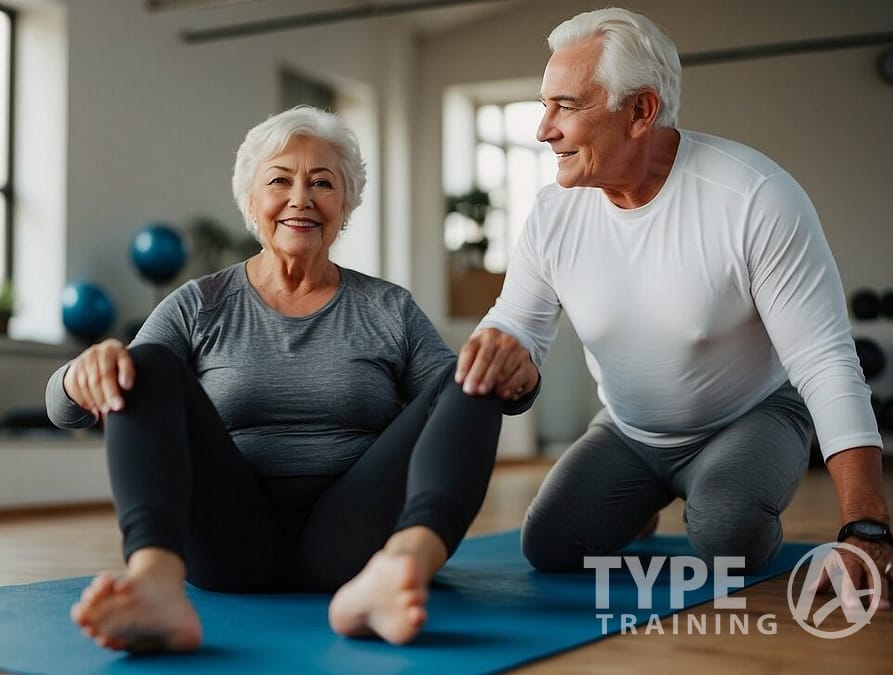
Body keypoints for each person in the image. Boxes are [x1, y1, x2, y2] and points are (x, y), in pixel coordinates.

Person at [46, 105, 534, 653]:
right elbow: (67, 409)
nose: (301, 198)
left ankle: (402, 568)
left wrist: (517, 373)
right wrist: (79, 375)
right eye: (280, 180)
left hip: (355, 541)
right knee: (145, 363)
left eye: (322, 183)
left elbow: (463, 405)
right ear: (252, 202)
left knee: (470, 370)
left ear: (345, 205)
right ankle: (155, 582)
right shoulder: (199, 304)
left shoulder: (388, 308)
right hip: (228, 538)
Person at [456, 7, 892, 605]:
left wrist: (865, 527)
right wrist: (506, 358)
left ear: (640, 110)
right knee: (551, 548)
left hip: (752, 415)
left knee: (725, 538)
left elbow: (826, 361)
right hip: (629, 429)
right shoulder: (555, 214)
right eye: (543, 105)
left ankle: (726, 499)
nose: (544, 130)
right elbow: (517, 330)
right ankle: (639, 503)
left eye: (567, 106)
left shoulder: (752, 198)